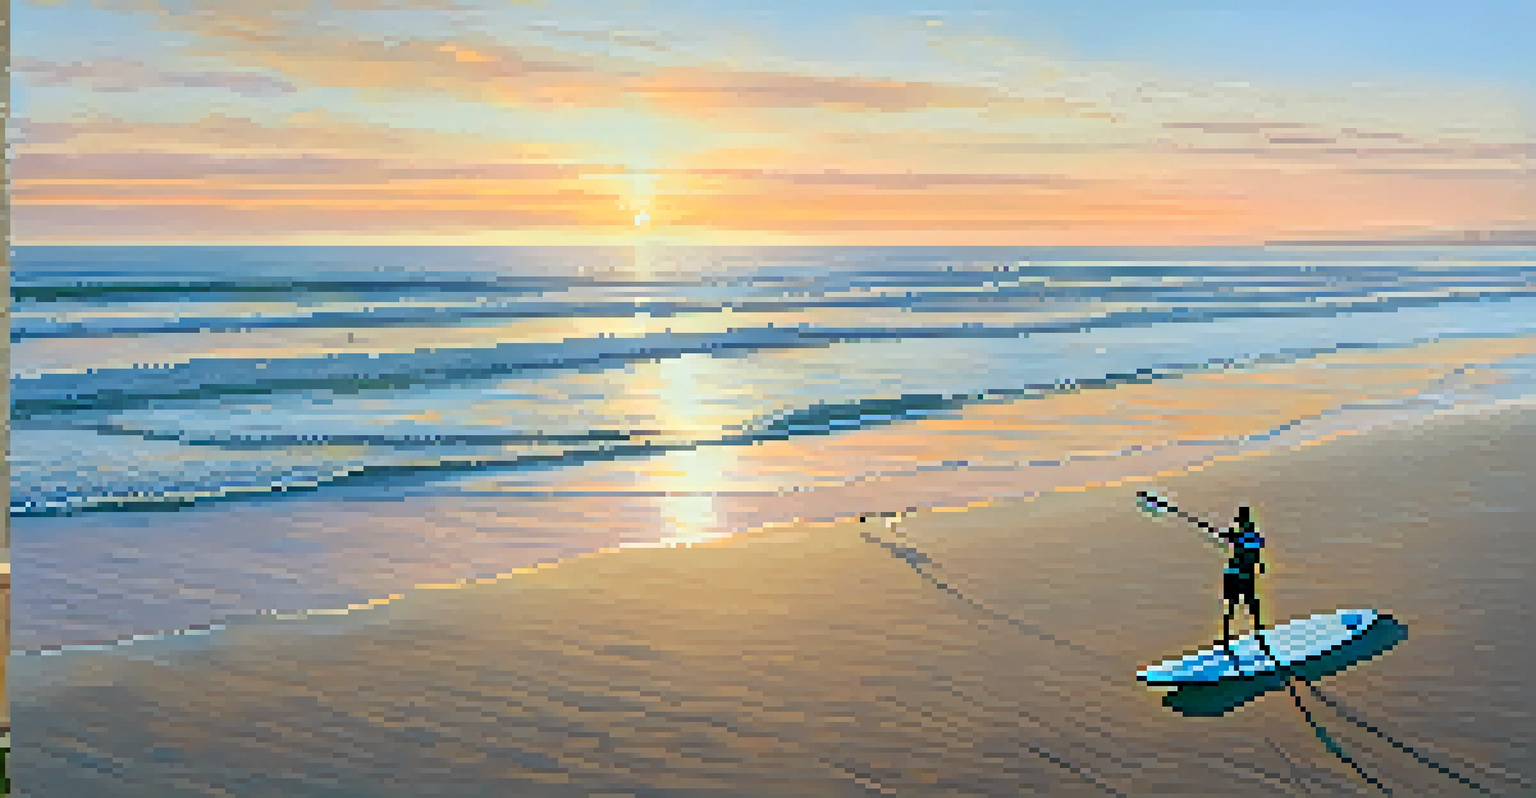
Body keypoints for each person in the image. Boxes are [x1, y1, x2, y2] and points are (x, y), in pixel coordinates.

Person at [1216, 505, 1265, 644]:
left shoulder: (1238, 535)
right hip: (1245, 575)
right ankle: (1258, 632)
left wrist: (1229, 535)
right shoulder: (1251, 536)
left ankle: (1226, 636)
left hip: (1236, 574)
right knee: (1250, 604)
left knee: (1232, 605)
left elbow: (1231, 541)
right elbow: (1257, 550)